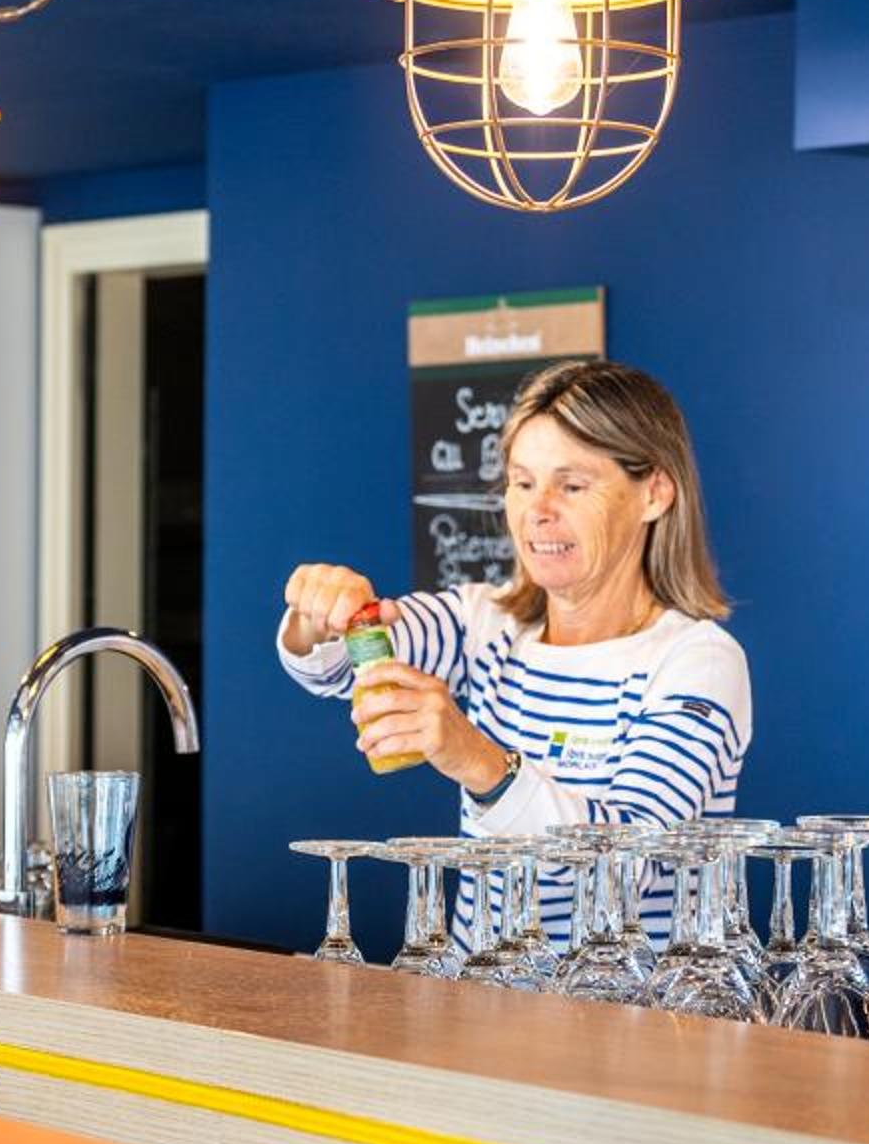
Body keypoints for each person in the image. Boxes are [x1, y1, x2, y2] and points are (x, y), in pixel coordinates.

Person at [277, 358, 751, 950]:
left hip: (630, 1004)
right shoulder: (484, 623)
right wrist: (320, 614)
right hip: (481, 996)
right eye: (522, 483)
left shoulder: (698, 662)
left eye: (572, 485)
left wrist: (476, 759)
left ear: (654, 493)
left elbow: (627, 871)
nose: (538, 510)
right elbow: (336, 666)